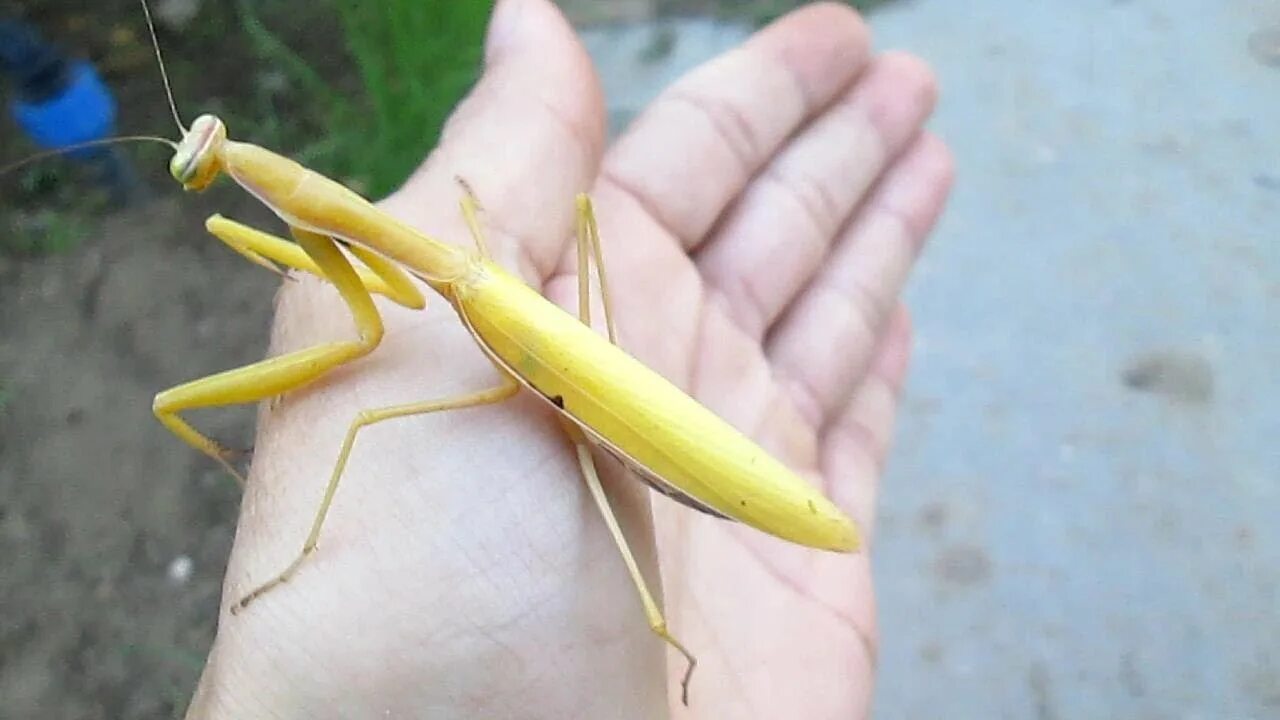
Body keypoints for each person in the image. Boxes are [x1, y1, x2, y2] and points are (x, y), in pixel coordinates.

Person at [184, 0, 951, 717]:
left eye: (208, 147)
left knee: (367, 422)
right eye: (203, 159)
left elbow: (368, 329)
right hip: (561, 355)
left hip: (601, 400)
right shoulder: (461, 263)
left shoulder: (458, 278)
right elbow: (390, 296)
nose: (205, 153)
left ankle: (656, 623)